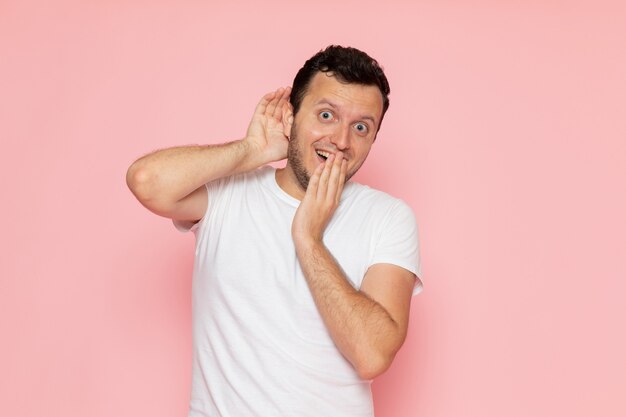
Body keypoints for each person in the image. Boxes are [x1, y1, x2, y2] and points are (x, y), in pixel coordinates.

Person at [127, 45, 422, 417]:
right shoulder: (229, 193)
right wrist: (252, 150)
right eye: (327, 115)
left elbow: (372, 355)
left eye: (361, 127)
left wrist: (309, 238)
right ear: (292, 115)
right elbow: (146, 181)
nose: (342, 140)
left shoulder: (388, 217)